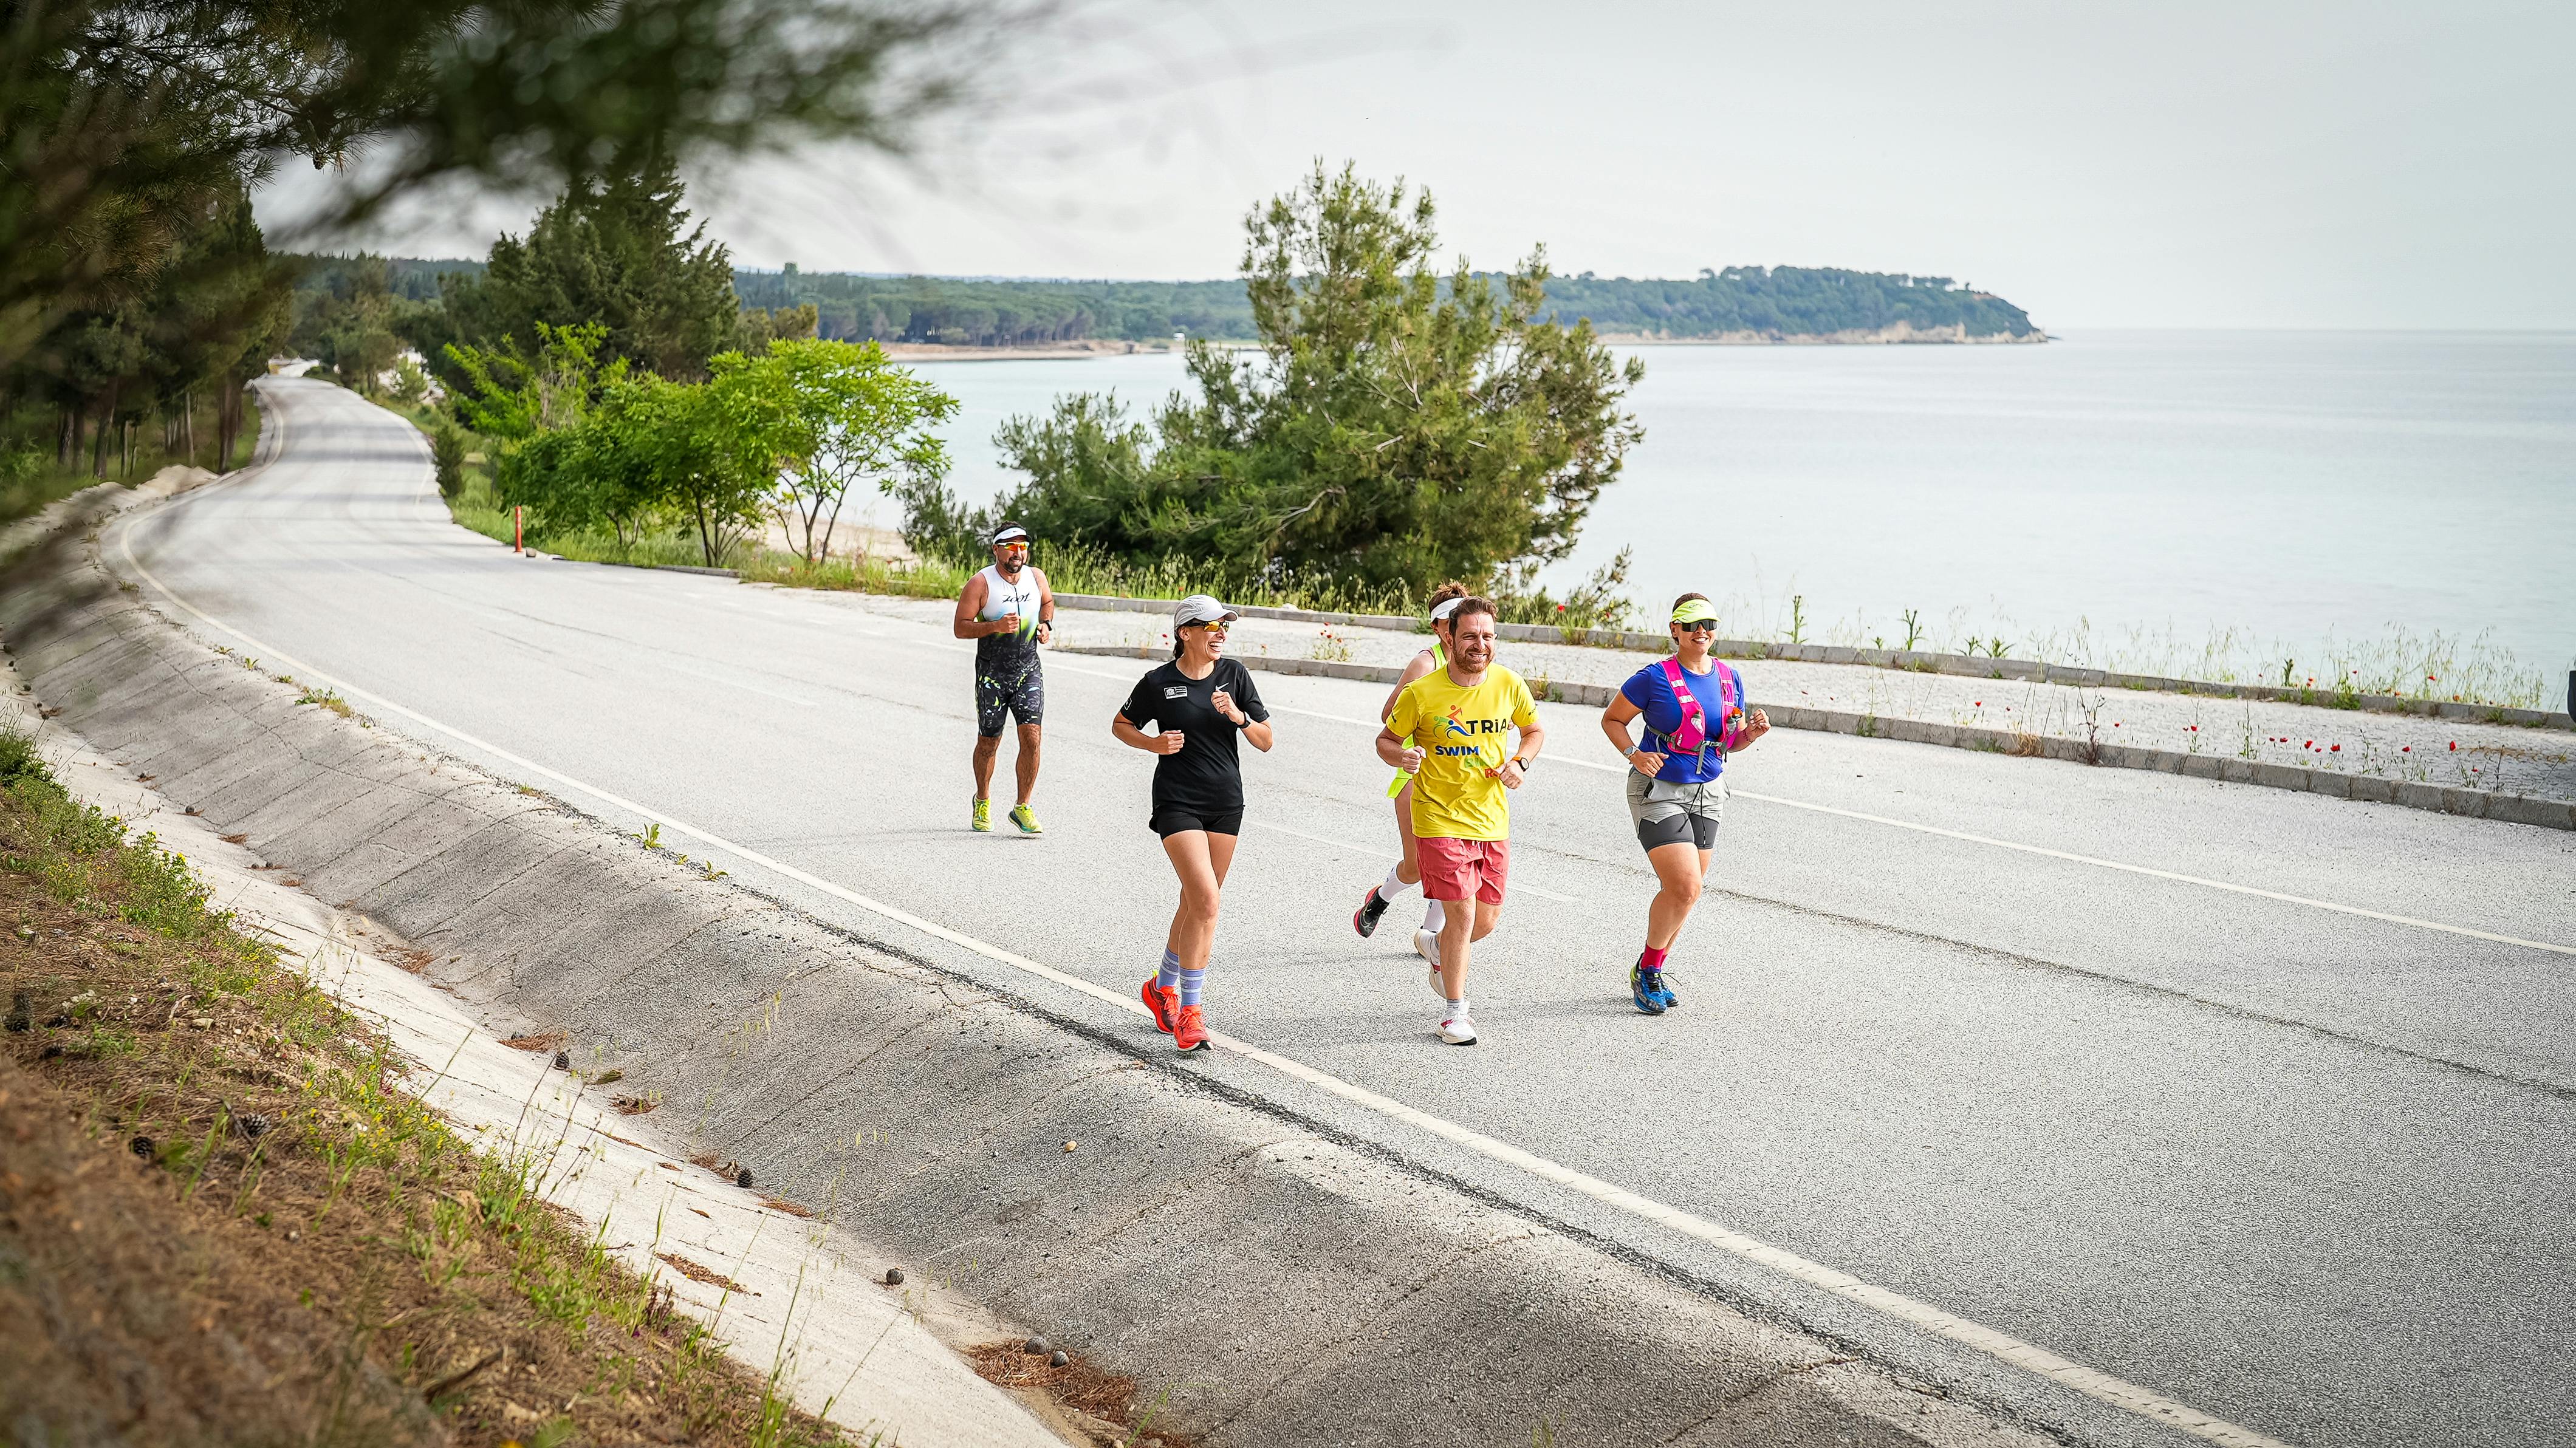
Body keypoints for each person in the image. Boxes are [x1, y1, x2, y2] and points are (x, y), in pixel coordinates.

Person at [1374, 597, 1544, 1045]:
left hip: (1491, 821)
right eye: (1470, 636)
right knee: (1463, 913)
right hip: (1437, 817)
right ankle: (1455, 1013)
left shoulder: (1509, 684)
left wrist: (1521, 762)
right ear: (1449, 637)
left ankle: (1437, 946)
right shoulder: (1422, 692)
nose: (1480, 645)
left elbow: (1534, 731)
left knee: (1484, 922)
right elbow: (1386, 740)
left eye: (1488, 636)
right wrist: (1403, 754)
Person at [1114, 596, 1274, 1053]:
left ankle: (1160, 986)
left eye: (1226, 625)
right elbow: (1121, 724)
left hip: (1226, 803)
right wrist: (1152, 743)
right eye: (1213, 625)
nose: (1222, 632)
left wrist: (1238, 717)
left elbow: (1266, 741)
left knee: (1197, 901)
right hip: (1177, 801)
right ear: (1186, 632)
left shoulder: (1235, 676)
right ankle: (1191, 1011)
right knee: (1205, 899)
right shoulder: (1159, 682)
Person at [1598, 593, 1770, 1014]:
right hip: (1658, 789)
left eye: (1708, 623)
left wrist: (1750, 735)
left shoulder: (1730, 678)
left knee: (1686, 895)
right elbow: (1612, 720)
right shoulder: (1653, 678)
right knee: (1685, 886)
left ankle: (1649, 967)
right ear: (1674, 630)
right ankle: (1650, 973)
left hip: (1709, 790)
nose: (1701, 632)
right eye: (1691, 624)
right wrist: (1634, 755)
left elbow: (1727, 742)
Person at [1352, 582, 1473, 941]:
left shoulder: (1478, 662)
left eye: (1461, 619)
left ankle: (1431, 935)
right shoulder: (1426, 662)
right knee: (1419, 865)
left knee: (1453, 861)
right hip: (1417, 775)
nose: (1455, 628)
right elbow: (1390, 714)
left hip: (1461, 779)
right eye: (1447, 621)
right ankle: (1381, 896)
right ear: (1437, 627)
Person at [952, 522, 1054, 834]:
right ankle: (982, 799)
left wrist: (1047, 625)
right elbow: (960, 628)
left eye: (1023, 546)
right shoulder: (981, 583)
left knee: (1032, 738)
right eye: (1010, 546)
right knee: (989, 742)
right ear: (996, 549)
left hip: (1028, 671)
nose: (1018, 552)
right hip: (992, 676)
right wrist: (993, 626)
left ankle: (1022, 806)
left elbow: (1047, 602)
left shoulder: (1036, 577)